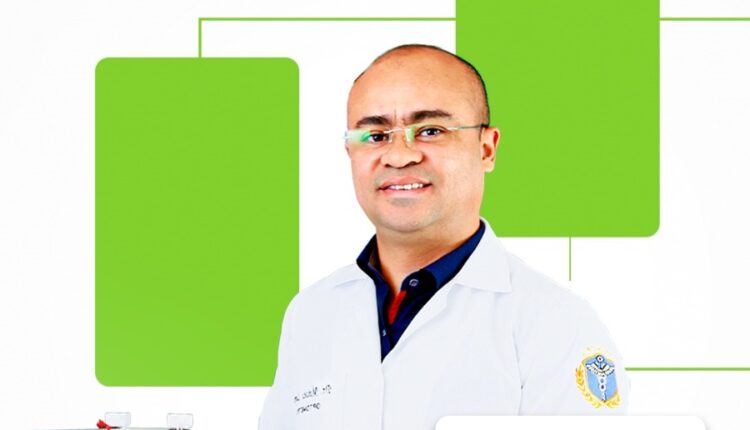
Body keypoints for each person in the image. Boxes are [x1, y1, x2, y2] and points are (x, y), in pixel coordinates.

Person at [259, 44, 629, 430]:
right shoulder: (311, 313)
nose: (399, 156)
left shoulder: (557, 325)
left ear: (486, 149)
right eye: (376, 135)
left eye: (430, 131)